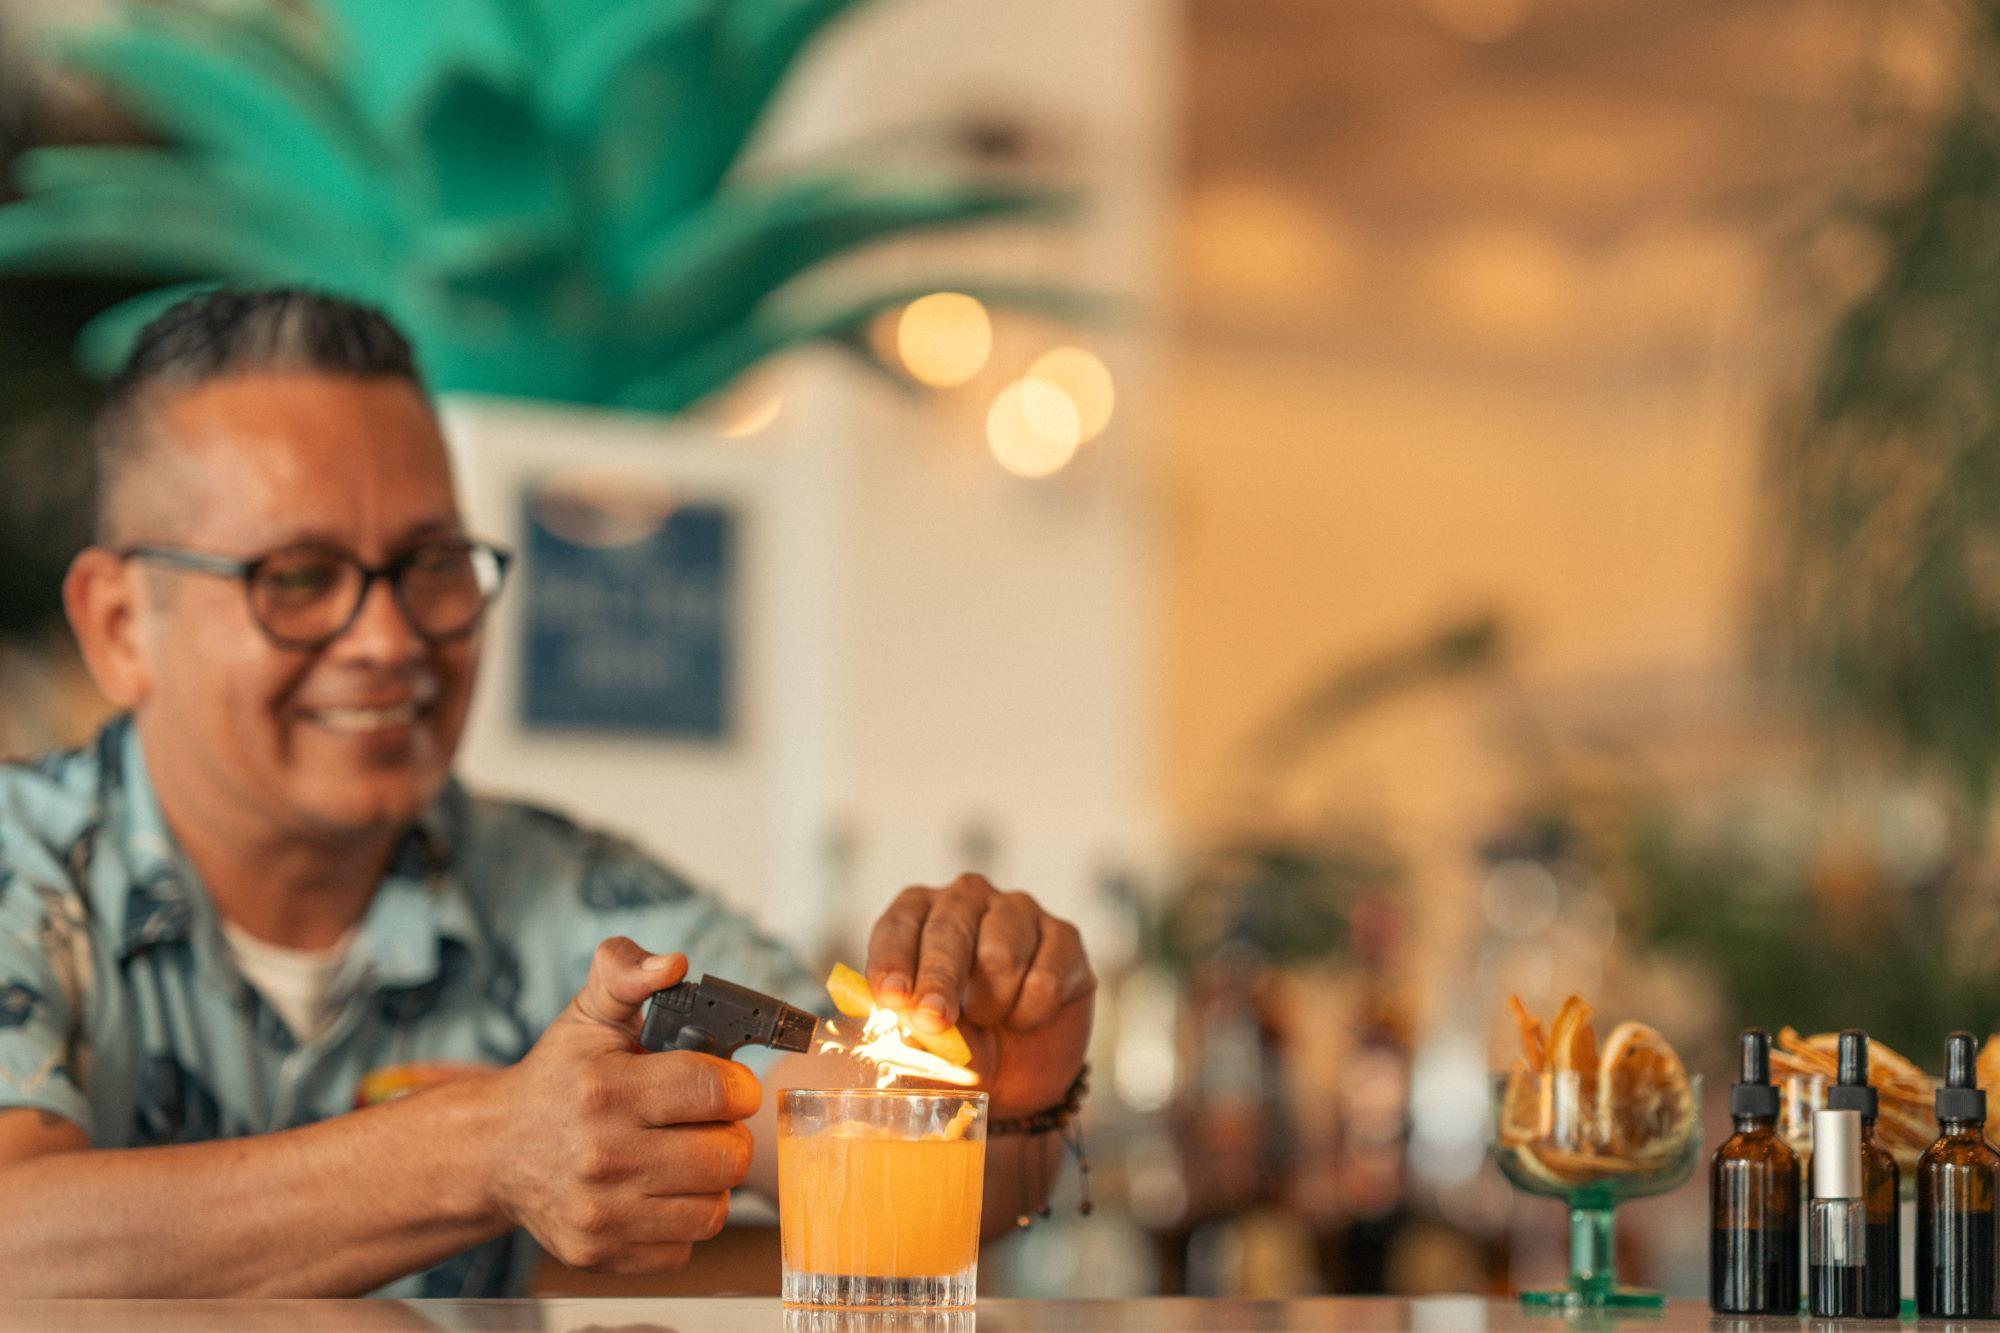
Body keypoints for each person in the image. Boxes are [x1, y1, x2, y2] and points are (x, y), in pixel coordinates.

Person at [0, 288, 1094, 1297]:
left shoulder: (571, 896)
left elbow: (871, 1144)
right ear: (118, 625)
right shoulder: (23, 869)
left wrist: (1011, 1095)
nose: (387, 640)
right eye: (297, 577)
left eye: (430, 564)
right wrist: (481, 1147)